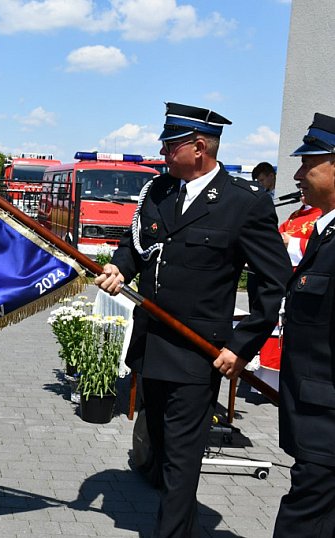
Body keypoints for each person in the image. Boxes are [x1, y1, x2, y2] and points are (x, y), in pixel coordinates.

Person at [95, 102, 291, 537]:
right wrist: (119, 268)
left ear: (198, 147)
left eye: (170, 146)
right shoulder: (159, 191)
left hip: (196, 354)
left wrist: (242, 346)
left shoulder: (243, 203)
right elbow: (135, 246)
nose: (162, 153)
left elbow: (273, 281)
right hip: (151, 346)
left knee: (182, 462)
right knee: (161, 449)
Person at [274, 112, 335, 537]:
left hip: (326, 424)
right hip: (313, 415)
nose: (298, 175)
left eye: (308, 164)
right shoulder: (324, 232)